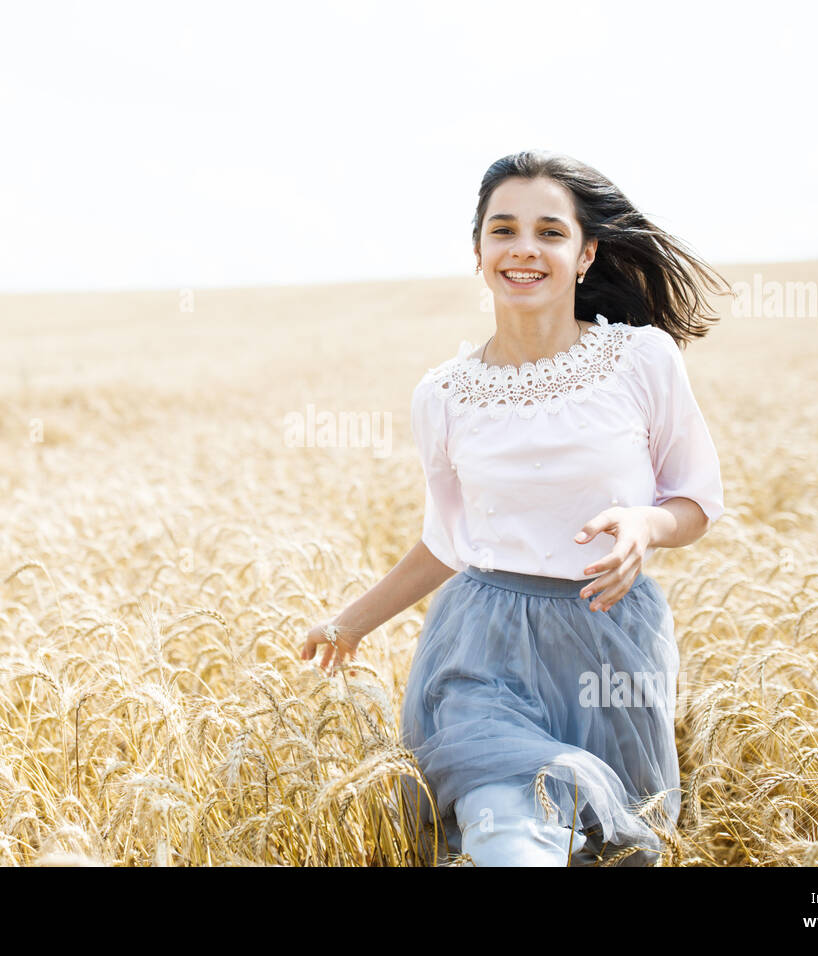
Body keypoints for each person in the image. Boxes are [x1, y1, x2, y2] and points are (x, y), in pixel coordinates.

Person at [300, 150, 728, 866]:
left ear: (586, 253)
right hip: (481, 644)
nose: (524, 248)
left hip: (610, 644)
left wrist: (644, 524)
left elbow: (695, 500)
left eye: (550, 232)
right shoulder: (442, 394)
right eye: (503, 230)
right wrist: (350, 622)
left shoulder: (642, 360)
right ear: (478, 252)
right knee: (508, 830)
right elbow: (447, 542)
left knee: (598, 845)